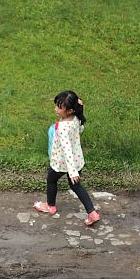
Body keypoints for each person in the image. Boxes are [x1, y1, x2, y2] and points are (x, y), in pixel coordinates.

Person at [33, 90, 100, 226]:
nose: (56, 109)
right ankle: (92, 213)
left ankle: (50, 206)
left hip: (61, 162)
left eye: (59, 107)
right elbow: (80, 129)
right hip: (77, 160)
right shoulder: (76, 119)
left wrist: (72, 171)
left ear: (69, 110)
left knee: (51, 179)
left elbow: (66, 148)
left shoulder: (63, 127)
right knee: (76, 186)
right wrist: (81, 108)